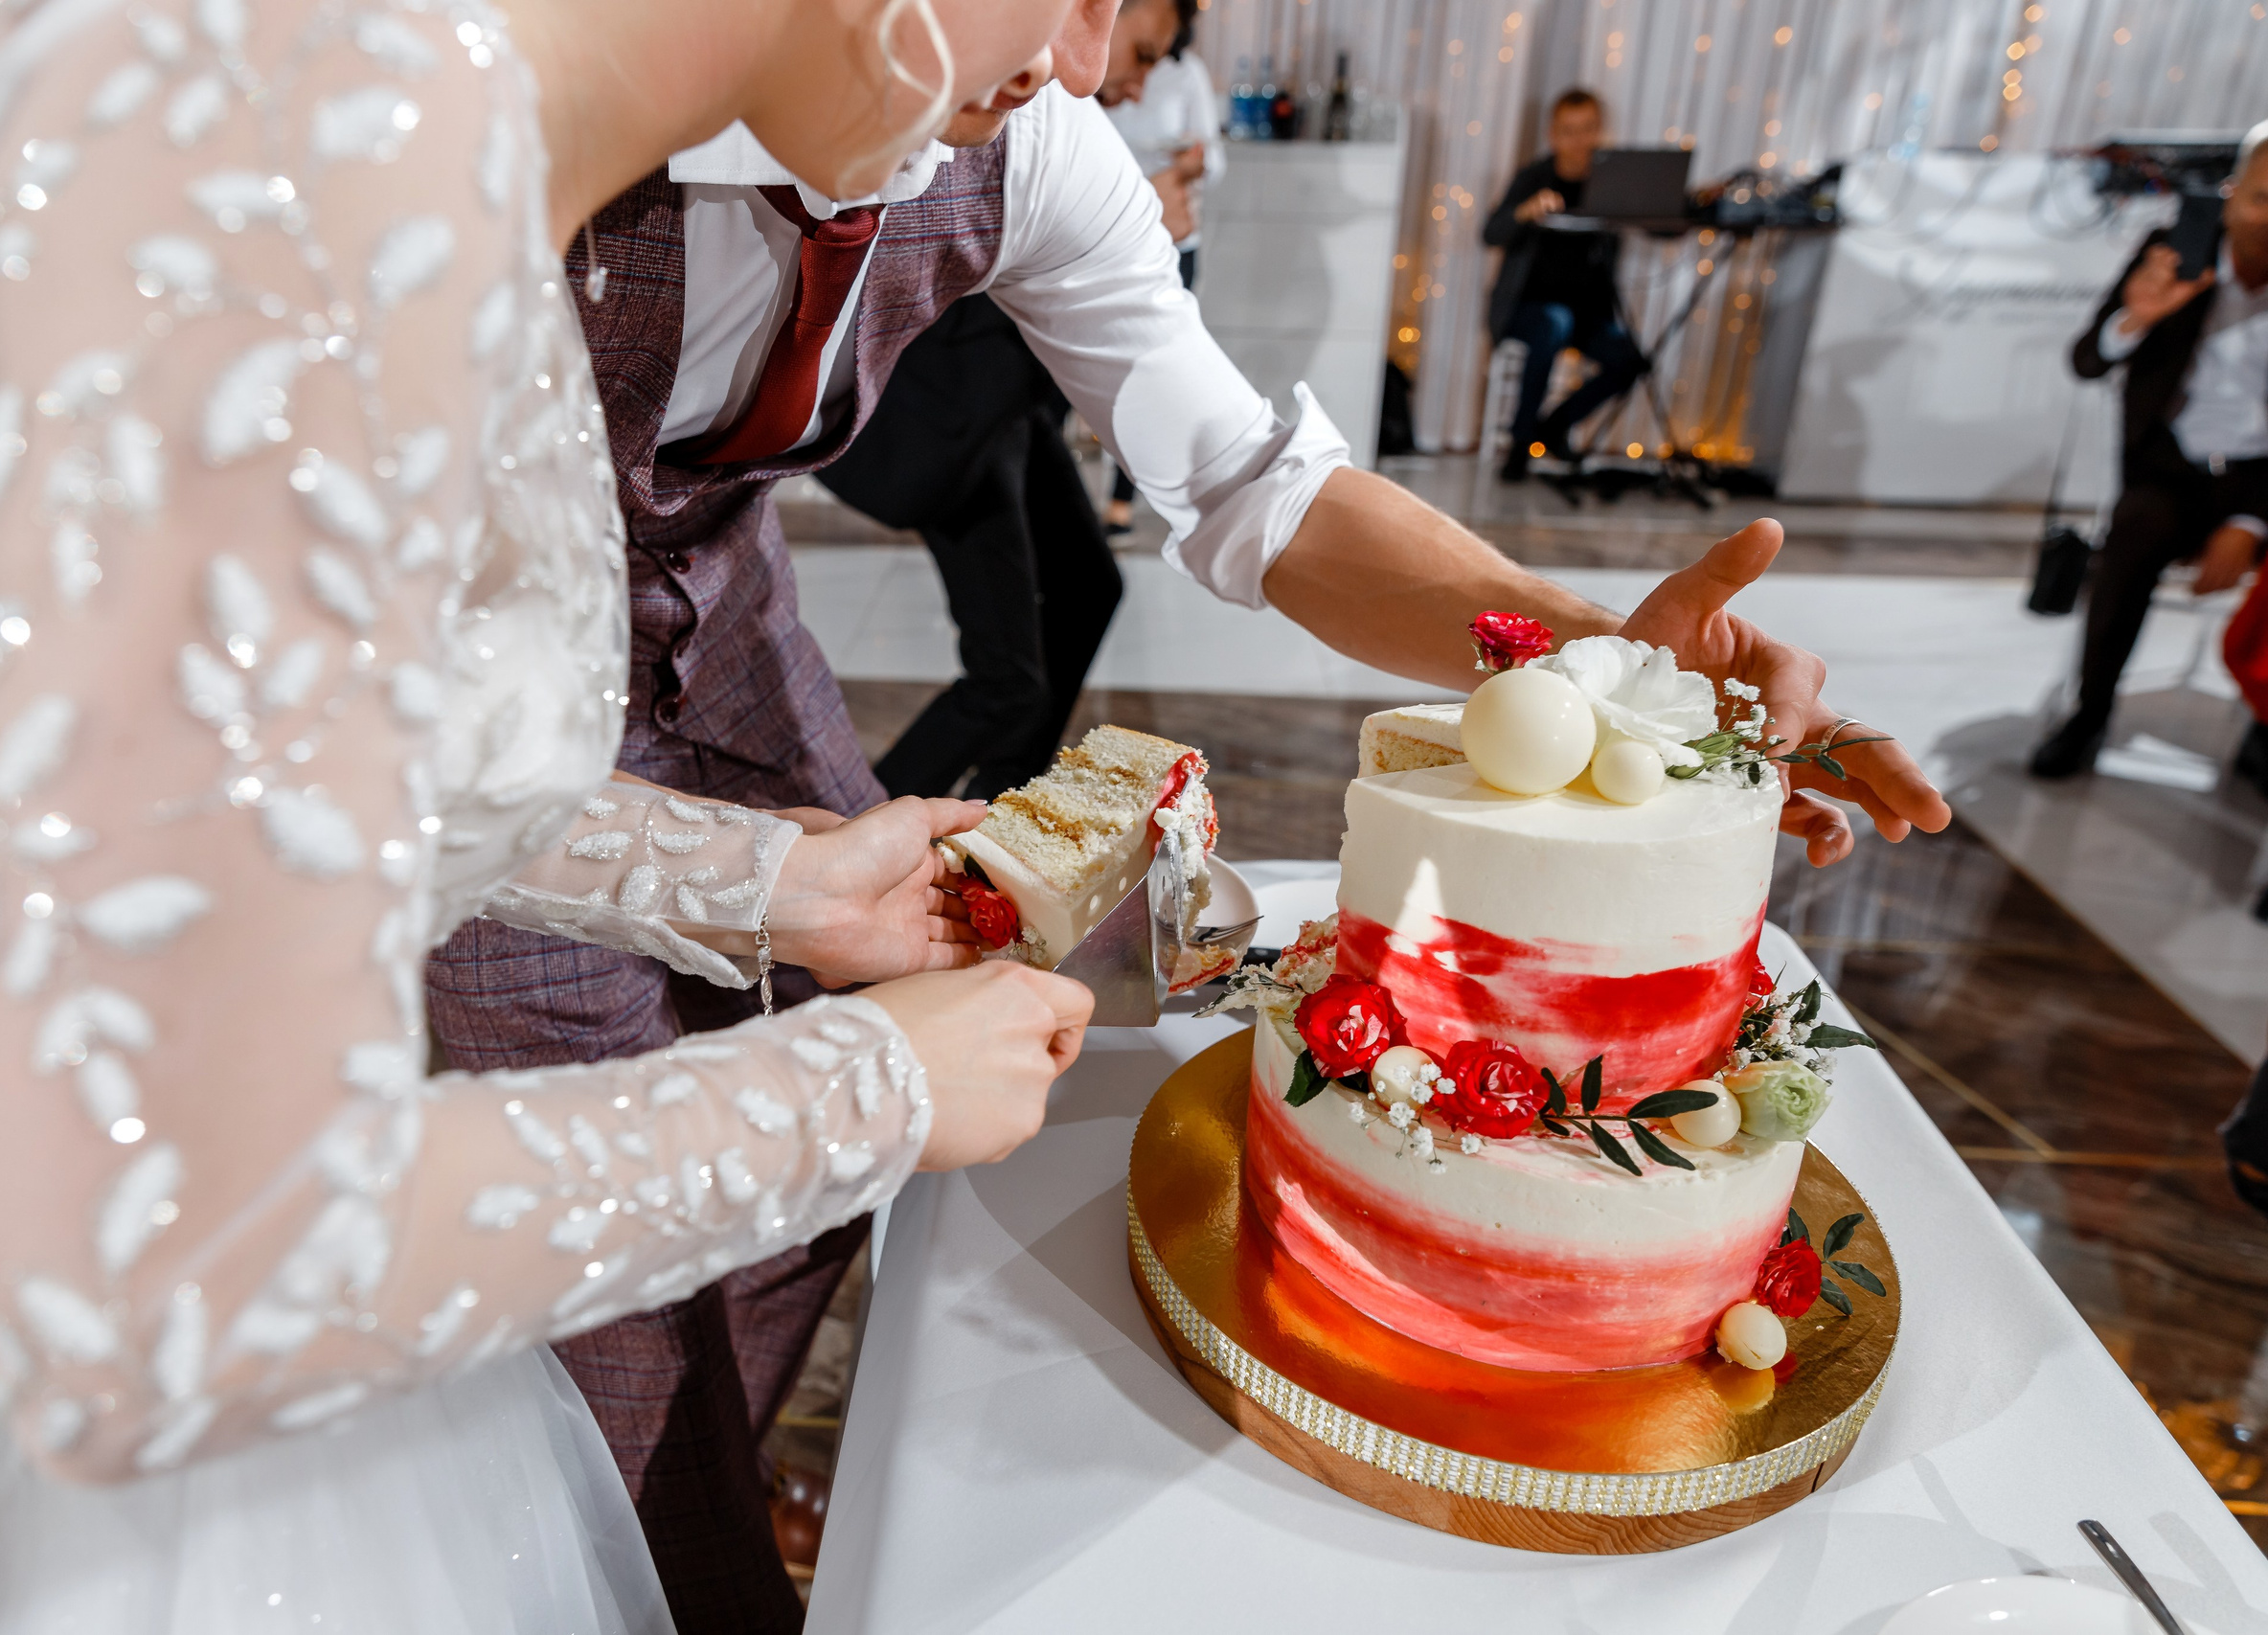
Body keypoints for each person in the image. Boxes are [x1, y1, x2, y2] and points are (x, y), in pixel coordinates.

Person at [510, 11, 1957, 1626]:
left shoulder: (1022, 128)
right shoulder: (474, 124)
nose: (1088, 55)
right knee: (598, 1279)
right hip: (442, 735)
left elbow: (1256, 483)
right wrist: (743, 878)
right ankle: (655, 1547)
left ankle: (728, 1427)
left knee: (833, 1156)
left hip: (740, 652)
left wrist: (1606, 671)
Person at [0, 1, 1098, 1630]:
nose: (1087, 50)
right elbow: (188, 1265)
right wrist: (867, 1089)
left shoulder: (400, 117)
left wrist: (777, 883)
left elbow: (242, 770)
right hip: (4, 1421)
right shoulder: (275, 161)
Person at [2032, 120, 2268, 780]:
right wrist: (2136, 317)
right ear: (2232, 192)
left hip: (2259, 482)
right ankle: (2090, 710)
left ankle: (2263, 722)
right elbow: (2086, 359)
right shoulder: (2176, 251)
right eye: (2263, 198)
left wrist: (2251, 523)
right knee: (2131, 539)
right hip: (2170, 471)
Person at [819, 296, 1122, 798]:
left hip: (1011, 391)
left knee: (1091, 587)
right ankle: (867, 823)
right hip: (955, 406)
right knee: (1007, 683)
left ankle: (1003, 804)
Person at [1482, 87, 1649, 483]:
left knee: (1631, 358)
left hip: (1588, 312)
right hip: (1526, 308)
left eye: (1588, 129)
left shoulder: (1611, 185)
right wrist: (1525, 211)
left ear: (1600, 130)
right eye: (1569, 131)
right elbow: (1491, 234)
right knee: (1551, 325)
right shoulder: (1533, 178)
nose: (1580, 141)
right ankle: (1520, 445)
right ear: (1553, 134)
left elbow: (1661, 229)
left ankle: (1554, 426)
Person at [1099, 0, 1220, 533]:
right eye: (1142, 58)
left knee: (1146, 380)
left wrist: (1194, 166)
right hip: (1115, 231)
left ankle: (1121, 498)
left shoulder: (1188, 74)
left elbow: (1211, 157)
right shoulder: (1065, 94)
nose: (1139, 90)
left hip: (1170, 241)